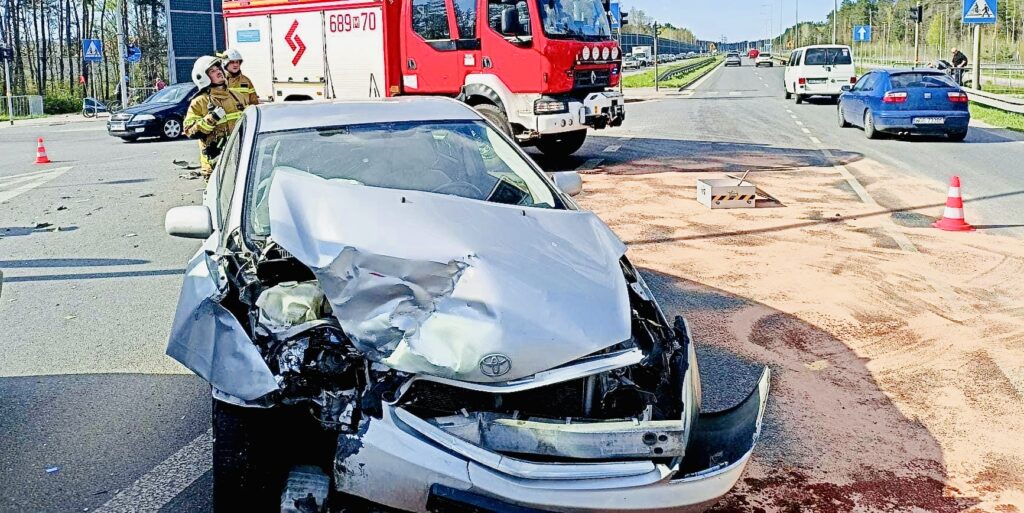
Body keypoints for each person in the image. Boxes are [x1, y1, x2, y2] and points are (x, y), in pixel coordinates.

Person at [184, 56, 246, 179]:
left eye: (218, 68)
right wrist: (211, 119)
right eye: (212, 71)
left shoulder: (238, 96)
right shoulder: (199, 102)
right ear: (203, 77)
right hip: (215, 166)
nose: (218, 72)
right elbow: (189, 131)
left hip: (241, 160)